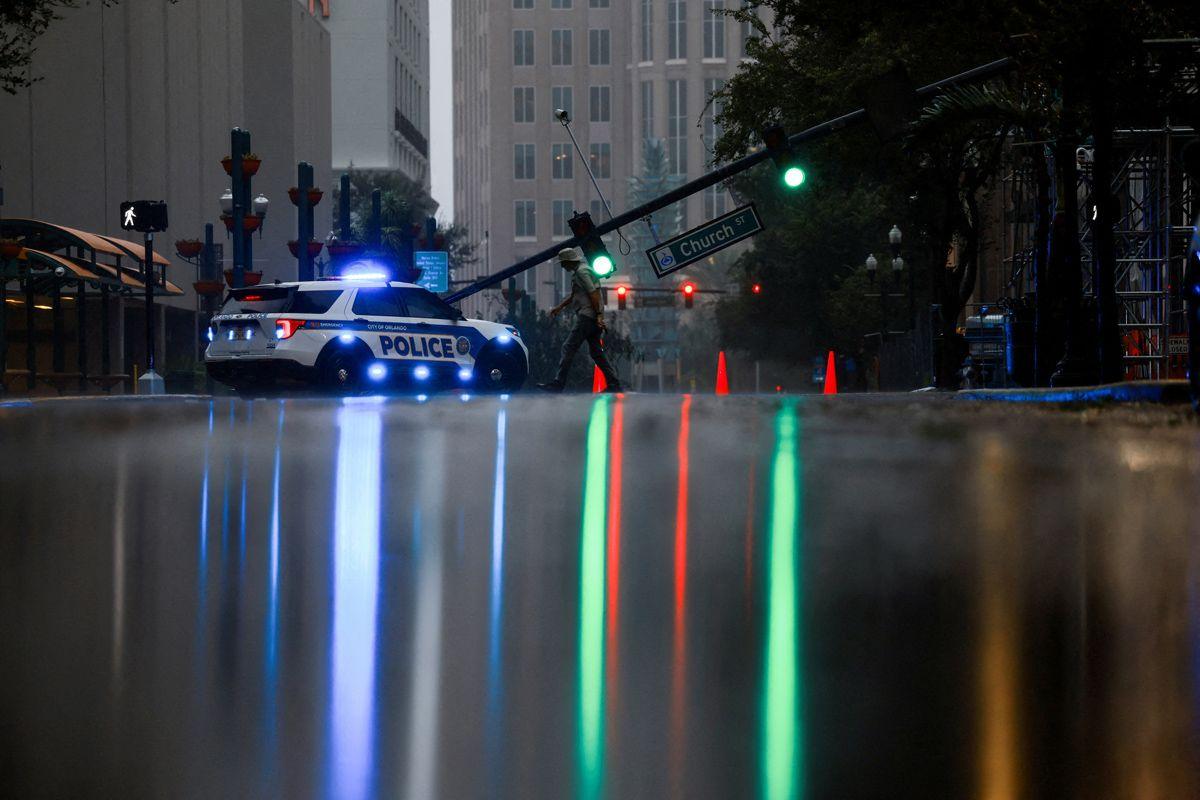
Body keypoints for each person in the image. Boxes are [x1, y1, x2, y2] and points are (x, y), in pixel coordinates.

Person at [538, 247, 623, 393]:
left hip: (587, 317)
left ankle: (558, 384)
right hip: (591, 317)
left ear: (569, 262)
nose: (563, 266)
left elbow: (593, 293)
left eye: (563, 263)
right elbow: (575, 295)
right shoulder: (581, 271)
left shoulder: (582, 272)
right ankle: (614, 383)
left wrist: (599, 316)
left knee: (568, 347)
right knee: (596, 352)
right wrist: (559, 307)